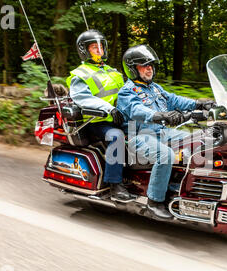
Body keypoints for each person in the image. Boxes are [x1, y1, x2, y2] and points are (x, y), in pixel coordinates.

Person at [117, 45, 215, 219]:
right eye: (144, 65)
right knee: (166, 155)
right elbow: (136, 110)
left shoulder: (154, 88)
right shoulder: (127, 91)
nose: (149, 69)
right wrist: (160, 115)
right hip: (138, 136)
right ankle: (154, 202)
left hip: (161, 132)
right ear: (132, 69)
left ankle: (187, 189)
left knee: (197, 139)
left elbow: (174, 99)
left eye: (151, 65)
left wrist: (199, 103)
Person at [66, 29, 135, 202]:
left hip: (119, 118)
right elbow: (83, 98)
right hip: (96, 121)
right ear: (84, 50)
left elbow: (128, 92)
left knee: (147, 128)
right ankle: (114, 184)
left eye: (101, 47)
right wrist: (108, 109)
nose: (99, 50)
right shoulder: (80, 74)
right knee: (117, 137)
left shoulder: (113, 71)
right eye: (93, 47)